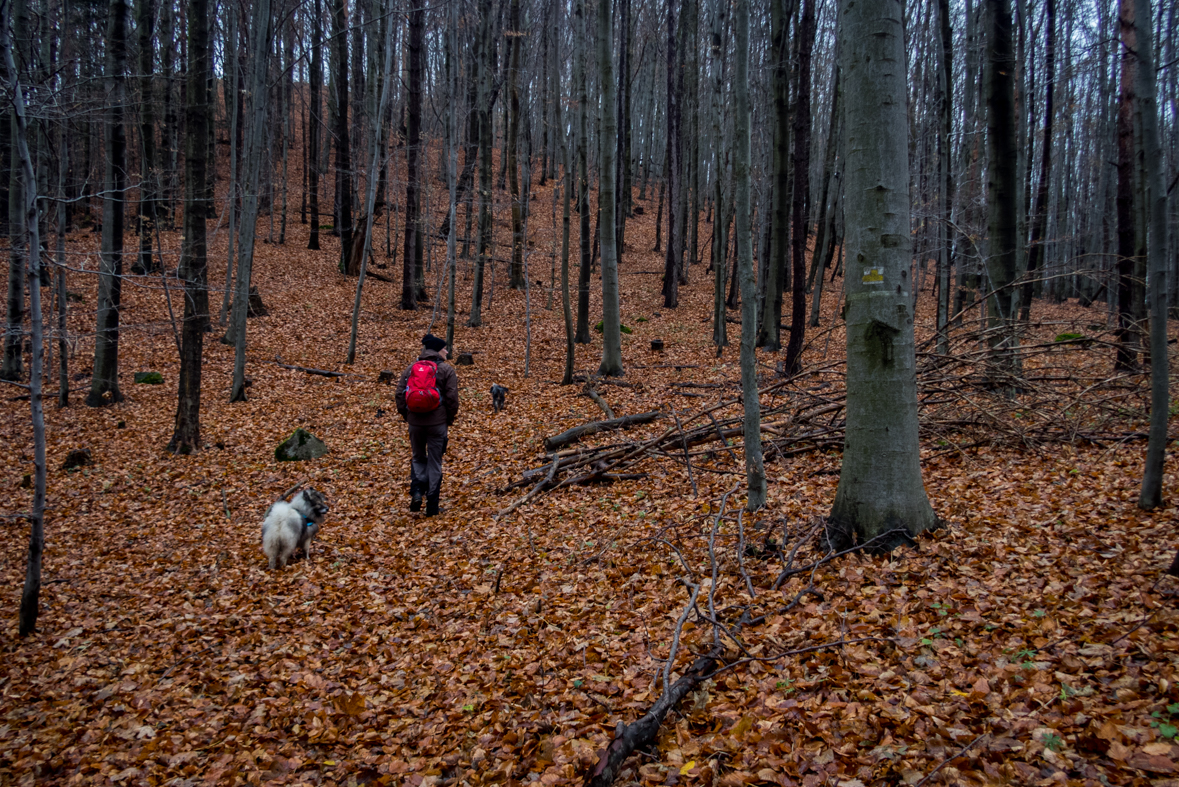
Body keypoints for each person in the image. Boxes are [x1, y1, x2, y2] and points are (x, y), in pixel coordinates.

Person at [394, 333, 460, 516]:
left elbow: (400, 395)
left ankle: (416, 492)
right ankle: (432, 506)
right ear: (438, 350)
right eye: (445, 348)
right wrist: (448, 419)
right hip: (437, 423)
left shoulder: (411, 369)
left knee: (417, 457)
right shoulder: (446, 370)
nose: (447, 351)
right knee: (435, 462)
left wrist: (407, 416)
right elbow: (452, 398)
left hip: (415, 422)